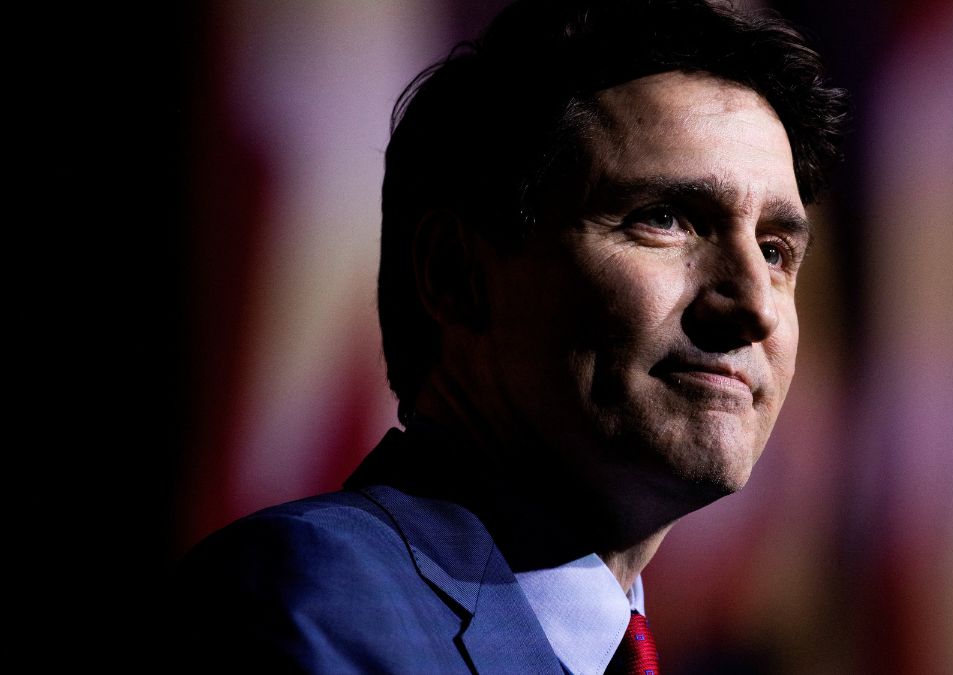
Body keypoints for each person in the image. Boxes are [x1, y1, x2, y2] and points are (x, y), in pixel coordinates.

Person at [175, 0, 846, 672]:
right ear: (457, 274)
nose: (754, 304)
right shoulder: (314, 605)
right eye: (665, 217)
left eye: (775, 250)